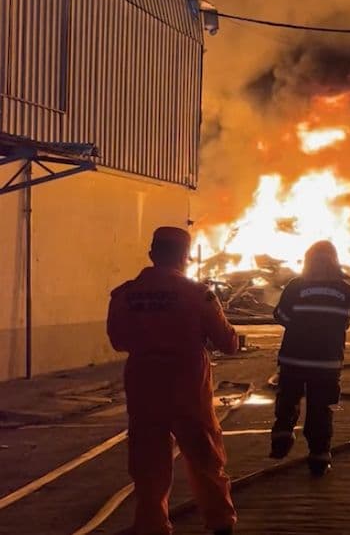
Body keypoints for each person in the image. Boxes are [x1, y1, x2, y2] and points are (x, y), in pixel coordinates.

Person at [106, 227, 239, 535]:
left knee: (148, 463)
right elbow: (228, 343)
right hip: (188, 387)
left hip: (143, 386)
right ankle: (220, 523)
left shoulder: (124, 294)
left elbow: (118, 340)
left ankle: (152, 526)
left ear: (152, 254)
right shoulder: (198, 294)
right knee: (205, 457)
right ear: (184, 257)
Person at [269, 241, 350, 477]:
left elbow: (281, 315)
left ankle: (282, 436)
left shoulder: (296, 286)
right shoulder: (345, 290)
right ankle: (319, 458)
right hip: (327, 363)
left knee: (288, 398)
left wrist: (301, 325)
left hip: (294, 358)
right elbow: (345, 321)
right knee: (322, 409)